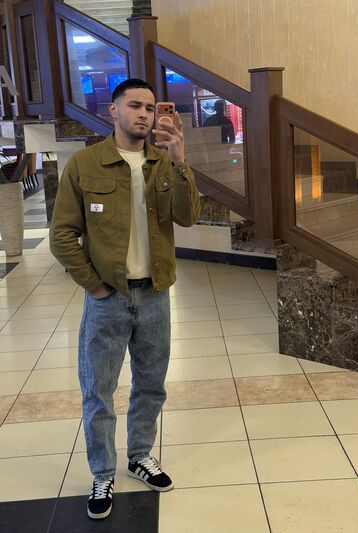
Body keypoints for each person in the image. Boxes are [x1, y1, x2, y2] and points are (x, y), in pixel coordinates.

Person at [49, 78, 200, 520]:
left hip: (155, 294)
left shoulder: (163, 161)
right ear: (113, 111)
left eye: (150, 108)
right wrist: (93, 285)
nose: (144, 114)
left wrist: (180, 159)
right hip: (108, 296)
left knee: (151, 383)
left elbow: (188, 216)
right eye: (135, 105)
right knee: (98, 390)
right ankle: (102, 472)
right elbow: (62, 234)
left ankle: (139, 456)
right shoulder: (86, 163)